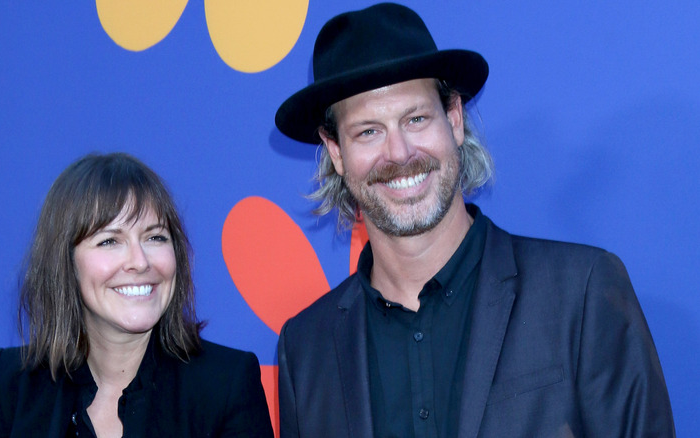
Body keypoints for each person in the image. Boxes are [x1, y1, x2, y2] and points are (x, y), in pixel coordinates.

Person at [274, 3, 674, 437]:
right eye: (368, 131)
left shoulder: (582, 291)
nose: (400, 153)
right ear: (336, 152)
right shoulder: (305, 349)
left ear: (455, 119)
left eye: (416, 118)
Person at [0, 153, 274, 437]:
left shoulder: (227, 383)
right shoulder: (10, 384)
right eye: (109, 241)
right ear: (65, 264)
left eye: (155, 237)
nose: (139, 262)